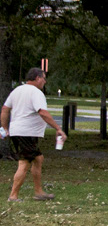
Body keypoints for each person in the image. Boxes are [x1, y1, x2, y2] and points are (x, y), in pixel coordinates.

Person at [1, 68, 66, 202]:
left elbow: (5, 109)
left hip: (18, 131)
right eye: (44, 78)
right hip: (27, 133)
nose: (45, 81)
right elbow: (43, 112)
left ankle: (38, 192)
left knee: (38, 159)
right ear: (37, 78)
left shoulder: (17, 90)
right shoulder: (36, 93)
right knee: (24, 163)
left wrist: (5, 128)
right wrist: (58, 128)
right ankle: (13, 195)